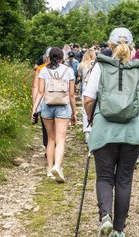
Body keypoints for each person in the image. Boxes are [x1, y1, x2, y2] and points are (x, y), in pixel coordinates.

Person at [83, 28, 139, 237]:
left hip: (104, 130)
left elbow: (88, 99)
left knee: (104, 177)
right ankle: (118, 231)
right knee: (124, 179)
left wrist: (92, 119)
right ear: (131, 46)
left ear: (110, 45)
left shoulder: (100, 67)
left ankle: (105, 217)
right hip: (132, 132)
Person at [32, 47, 77, 183]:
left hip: (47, 106)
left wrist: (34, 110)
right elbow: (71, 94)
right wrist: (74, 112)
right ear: (62, 57)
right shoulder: (68, 70)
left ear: (49, 57)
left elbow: (40, 92)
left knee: (50, 139)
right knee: (61, 139)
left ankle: (49, 168)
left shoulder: (43, 70)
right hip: (63, 107)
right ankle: (57, 166)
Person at [32, 47, 52, 150]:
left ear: (46, 57)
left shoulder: (41, 69)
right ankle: (56, 147)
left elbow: (36, 87)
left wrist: (34, 105)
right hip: (61, 102)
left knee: (46, 127)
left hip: (45, 101)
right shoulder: (65, 68)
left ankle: (47, 146)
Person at [77, 49, 97, 143]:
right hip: (95, 87)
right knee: (96, 110)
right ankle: (95, 131)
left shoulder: (81, 65)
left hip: (85, 86)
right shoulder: (97, 64)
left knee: (85, 111)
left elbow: (79, 76)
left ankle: (87, 133)